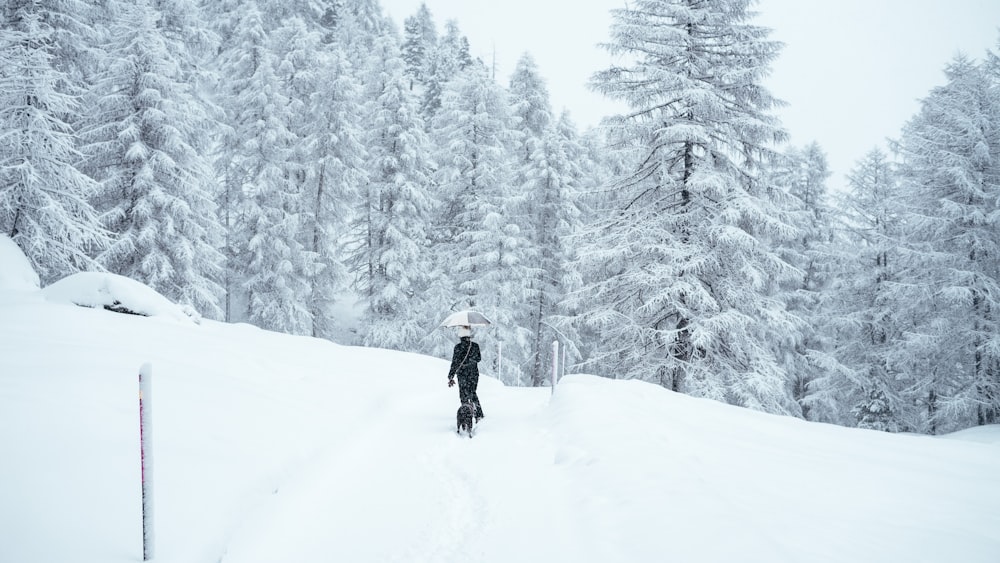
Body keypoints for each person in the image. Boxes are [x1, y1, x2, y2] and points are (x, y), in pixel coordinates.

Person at [447, 325, 484, 420]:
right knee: (472, 392)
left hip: (462, 374)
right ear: (469, 336)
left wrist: (451, 376)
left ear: (460, 336)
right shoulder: (475, 346)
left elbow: (454, 362)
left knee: (463, 393)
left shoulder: (458, 347)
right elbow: (478, 359)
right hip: (473, 374)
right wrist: (470, 361)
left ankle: (465, 413)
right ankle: (478, 414)